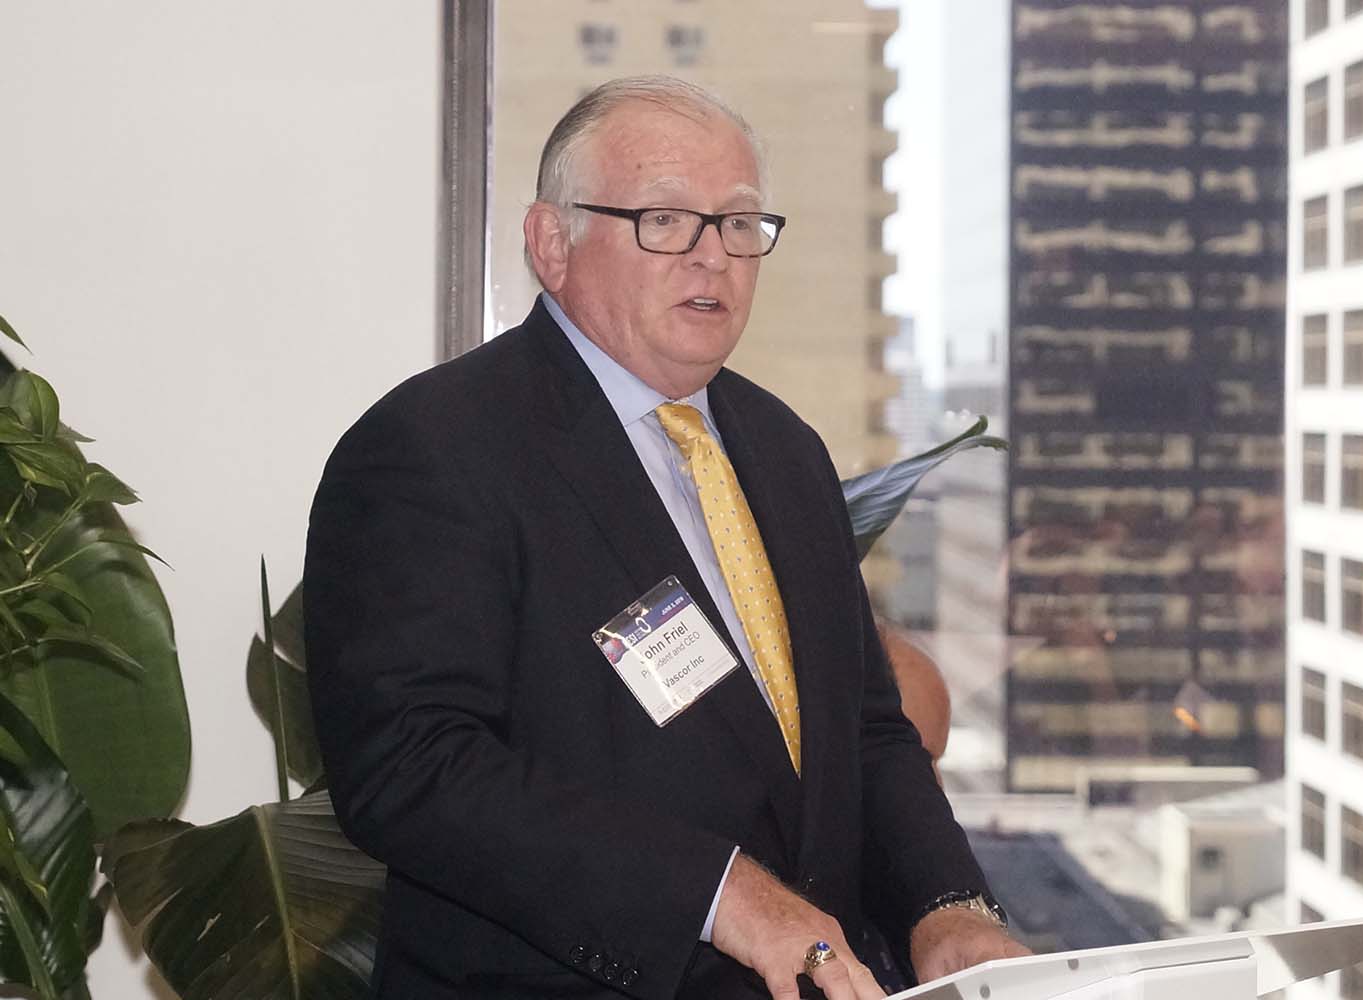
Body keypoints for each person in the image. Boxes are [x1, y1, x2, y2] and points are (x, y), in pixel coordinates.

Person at [304, 75, 1028, 1000]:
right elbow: (413, 766)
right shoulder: (433, 448)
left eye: (738, 223)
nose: (712, 256)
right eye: (665, 220)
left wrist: (946, 907)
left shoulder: (785, 449)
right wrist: (717, 895)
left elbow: (867, 731)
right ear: (551, 243)